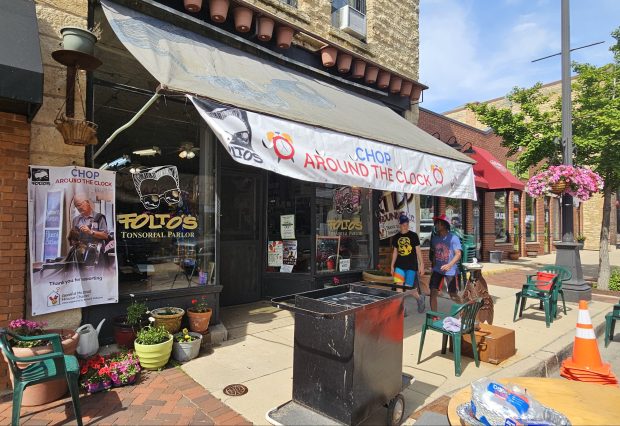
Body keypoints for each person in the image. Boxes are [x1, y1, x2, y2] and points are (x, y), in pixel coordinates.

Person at [390, 214, 426, 313]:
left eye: (406, 223)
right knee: (399, 286)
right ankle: (402, 309)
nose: (405, 225)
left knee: (409, 288)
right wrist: (392, 265)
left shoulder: (413, 235)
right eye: (403, 224)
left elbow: (418, 251)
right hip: (399, 266)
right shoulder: (396, 237)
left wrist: (421, 264)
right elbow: (395, 252)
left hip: (411, 266)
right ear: (400, 225)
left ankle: (420, 299)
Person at [429, 213, 462, 312]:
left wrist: (449, 265)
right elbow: (434, 253)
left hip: (450, 271)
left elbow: (458, 254)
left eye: (438, 223)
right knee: (433, 292)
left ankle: (464, 311)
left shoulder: (453, 238)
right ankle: (434, 315)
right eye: (436, 223)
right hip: (437, 270)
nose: (436, 225)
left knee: (453, 295)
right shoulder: (435, 239)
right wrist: (433, 268)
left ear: (444, 225)